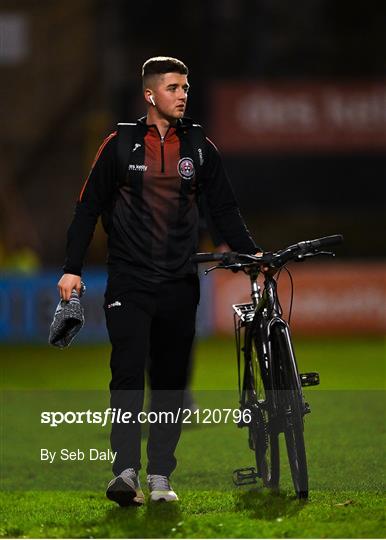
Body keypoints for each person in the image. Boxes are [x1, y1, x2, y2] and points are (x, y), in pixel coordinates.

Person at [58, 56, 262, 506]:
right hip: (129, 282)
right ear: (150, 95)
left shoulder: (200, 146)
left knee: (169, 382)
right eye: (173, 87)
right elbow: (87, 208)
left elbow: (224, 209)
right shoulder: (120, 143)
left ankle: (160, 476)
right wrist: (72, 267)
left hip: (179, 284)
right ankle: (125, 473)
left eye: (185, 87)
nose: (183, 94)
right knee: (127, 376)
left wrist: (250, 254)